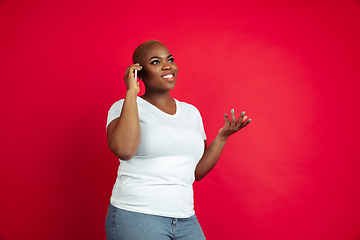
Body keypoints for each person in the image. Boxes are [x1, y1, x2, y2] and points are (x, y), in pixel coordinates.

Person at [105, 40, 251, 240]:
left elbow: (197, 172)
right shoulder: (124, 106)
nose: (167, 65)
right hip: (137, 214)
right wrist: (132, 93)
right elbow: (124, 149)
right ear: (139, 73)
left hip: (184, 218)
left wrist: (222, 136)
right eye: (155, 62)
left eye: (170, 59)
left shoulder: (191, 113)